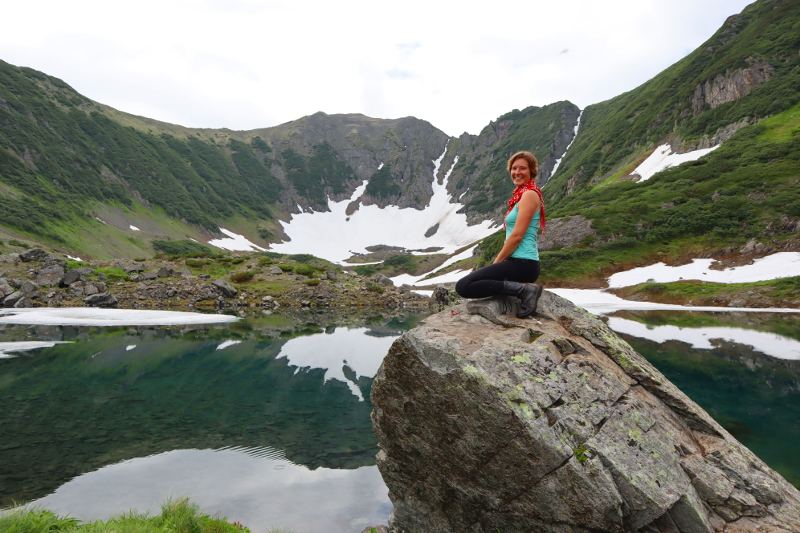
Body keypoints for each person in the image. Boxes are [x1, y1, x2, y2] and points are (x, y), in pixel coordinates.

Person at [455, 151, 545, 318]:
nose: (517, 172)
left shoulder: (529, 195)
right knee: (474, 283)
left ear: (532, 171)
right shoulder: (521, 196)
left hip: (524, 263)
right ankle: (517, 289)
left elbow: (517, 236)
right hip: (518, 262)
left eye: (523, 168)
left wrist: (497, 262)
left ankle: (526, 291)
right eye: (514, 168)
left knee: (464, 286)